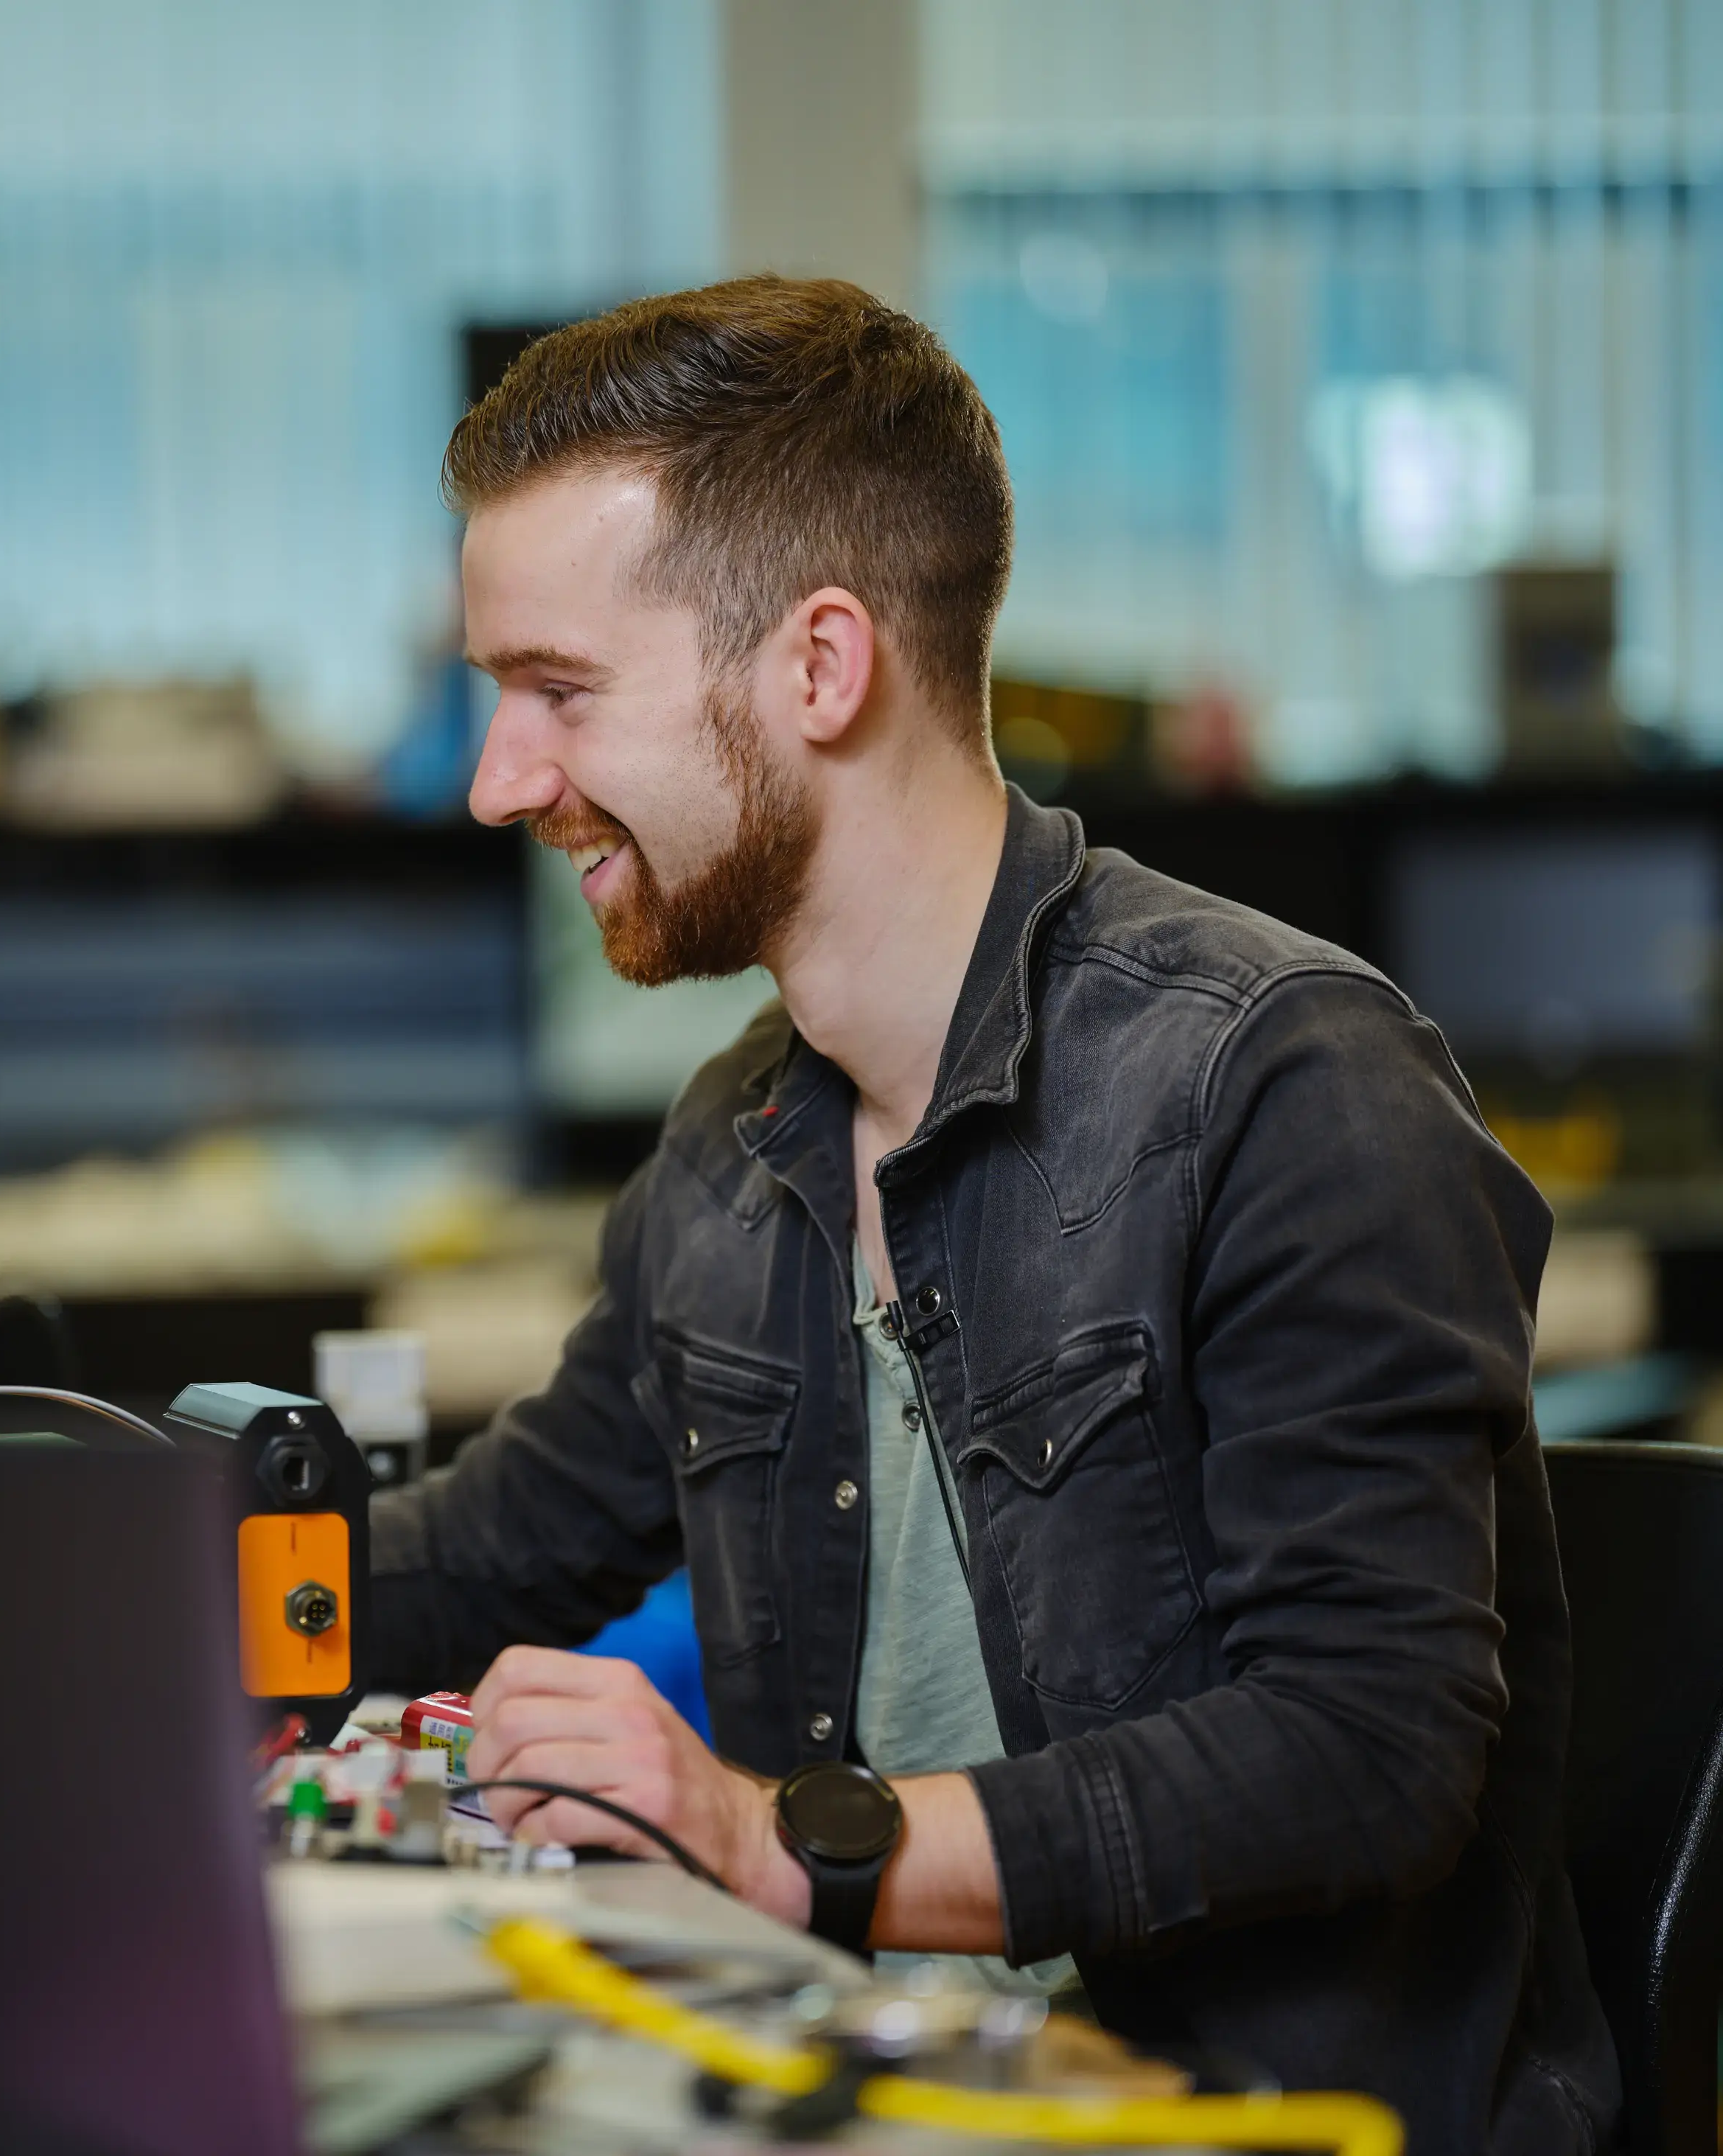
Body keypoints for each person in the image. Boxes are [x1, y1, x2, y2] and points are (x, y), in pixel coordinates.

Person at [366, 274, 1618, 2152]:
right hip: (882, 2102)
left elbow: (1366, 1748)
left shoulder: (1281, 1086)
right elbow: (474, 1562)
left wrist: (781, 1842)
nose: (499, 784)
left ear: (819, 665)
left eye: (557, 693)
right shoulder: (734, 1149)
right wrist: (0, 1571)